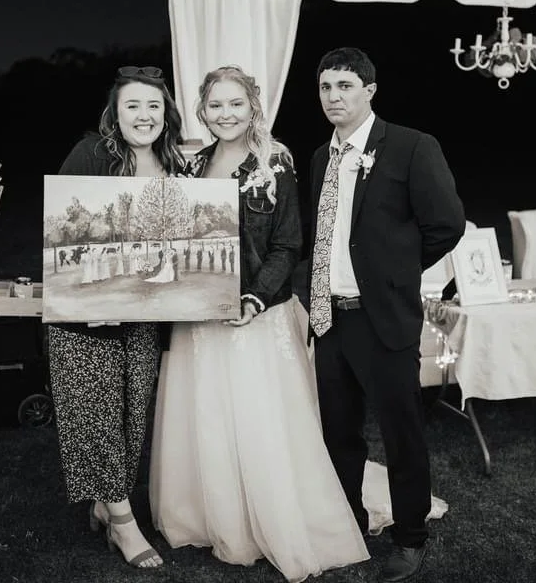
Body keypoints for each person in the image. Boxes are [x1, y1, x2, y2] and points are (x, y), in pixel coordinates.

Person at [150, 65, 369, 583]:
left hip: (256, 314)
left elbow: (288, 242)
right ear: (202, 111)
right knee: (204, 413)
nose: (226, 114)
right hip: (199, 314)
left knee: (257, 418)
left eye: (236, 104)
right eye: (215, 106)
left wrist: (254, 297)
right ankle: (209, 514)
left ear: (253, 107)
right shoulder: (191, 164)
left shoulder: (275, 162)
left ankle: (270, 518)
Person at [307, 47, 465, 583]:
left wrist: (395, 272)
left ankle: (410, 536)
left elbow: (447, 223)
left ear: (369, 91)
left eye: (345, 86)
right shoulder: (317, 158)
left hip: (385, 318)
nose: (334, 96)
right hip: (330, 322)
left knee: (401, 433)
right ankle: (348, 522)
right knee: (339, 432)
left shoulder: (411, 147)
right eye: (326, 87)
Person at [48, 65, 184, 569]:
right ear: (115, 113)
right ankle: (126, 524)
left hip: (145, 316)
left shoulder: (176, 167)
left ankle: (106, 506)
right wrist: (90, 299)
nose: (144, 115)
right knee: (97, 415)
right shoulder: (91, 155)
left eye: (153, 106)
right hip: (88, 317)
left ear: (165, 114)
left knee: (130, 417)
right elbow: (60, 227)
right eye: (133, 105)